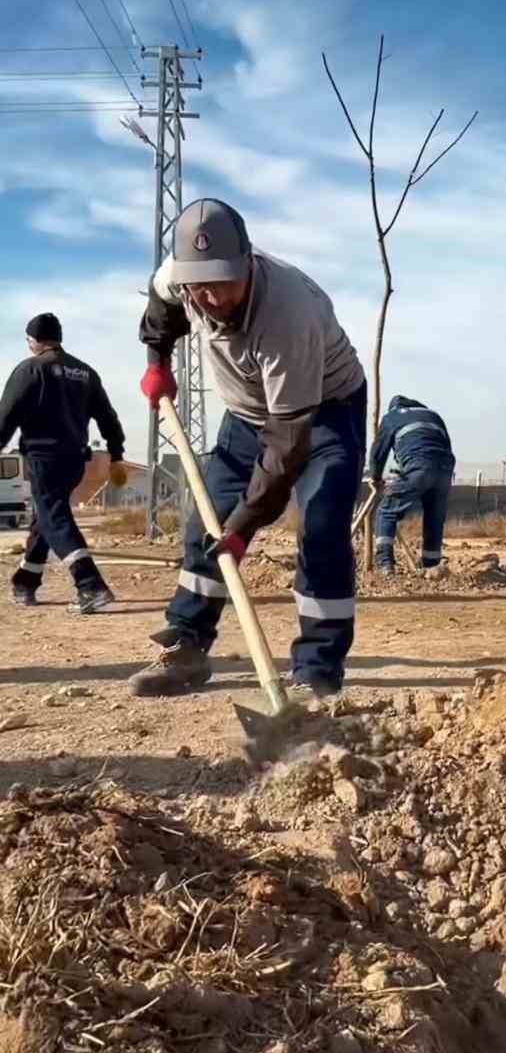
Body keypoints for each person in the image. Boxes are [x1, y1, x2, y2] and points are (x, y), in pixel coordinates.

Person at [129, 197, 366, 700]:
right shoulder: (180, 277)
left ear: (248, 262)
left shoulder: (287, 317)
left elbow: (286, 444)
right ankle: (187, 645)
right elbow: (161, 306)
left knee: (321, 523)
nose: (211, 297)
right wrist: (158, 361)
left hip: (320, 413)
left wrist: (245, 526)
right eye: (200, 285)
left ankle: (317, 673)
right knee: (206, 519)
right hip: (247, 413)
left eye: (223, 283)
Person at [0, 313, 126, 613]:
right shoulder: (85, 372)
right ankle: (25, 583)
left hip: (44, 459)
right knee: (47, 516)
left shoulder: (31, 369)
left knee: (54, 518)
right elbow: (107, 416)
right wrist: (116, 453)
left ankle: (90, 586)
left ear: (33, 340)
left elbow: (7, 416)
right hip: (73, 461)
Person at [368, 396, 455, 573]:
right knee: (434, 517)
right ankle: (432, 566)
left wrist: (376, 477)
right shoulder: (434, 415)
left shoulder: (392, 417)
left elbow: (379, 452)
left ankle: (384, 564)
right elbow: (446, 445)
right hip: (445, 469)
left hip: (418, 466)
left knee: (386, 511)